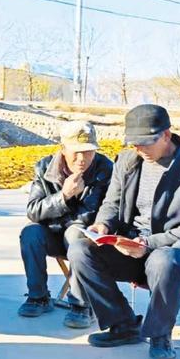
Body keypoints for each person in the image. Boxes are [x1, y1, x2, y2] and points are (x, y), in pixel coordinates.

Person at [78, 104, 180, 359]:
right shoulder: (127, 161)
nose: (139, 149)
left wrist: (149, 244)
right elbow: (112, 203)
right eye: (134, 143)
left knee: (163, 260)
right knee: (81, 250)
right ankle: (123, 324)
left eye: (145, 143)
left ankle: (160, 335)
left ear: (166, 135)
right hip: (131, 246)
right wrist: (102, 225)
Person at [18, 121, 113, 326]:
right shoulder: (45, 168)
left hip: (85, 240)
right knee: (30, 233)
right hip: (52, 235)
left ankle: (82, 305)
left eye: (88, 152)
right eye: (76, 152)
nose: (82, 159)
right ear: (63, 149)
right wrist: (64, 196)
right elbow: (33, 211)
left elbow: (90, 216)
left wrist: (63, 220)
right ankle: (38, 297)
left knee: (75, 234)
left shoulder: (105, 169)